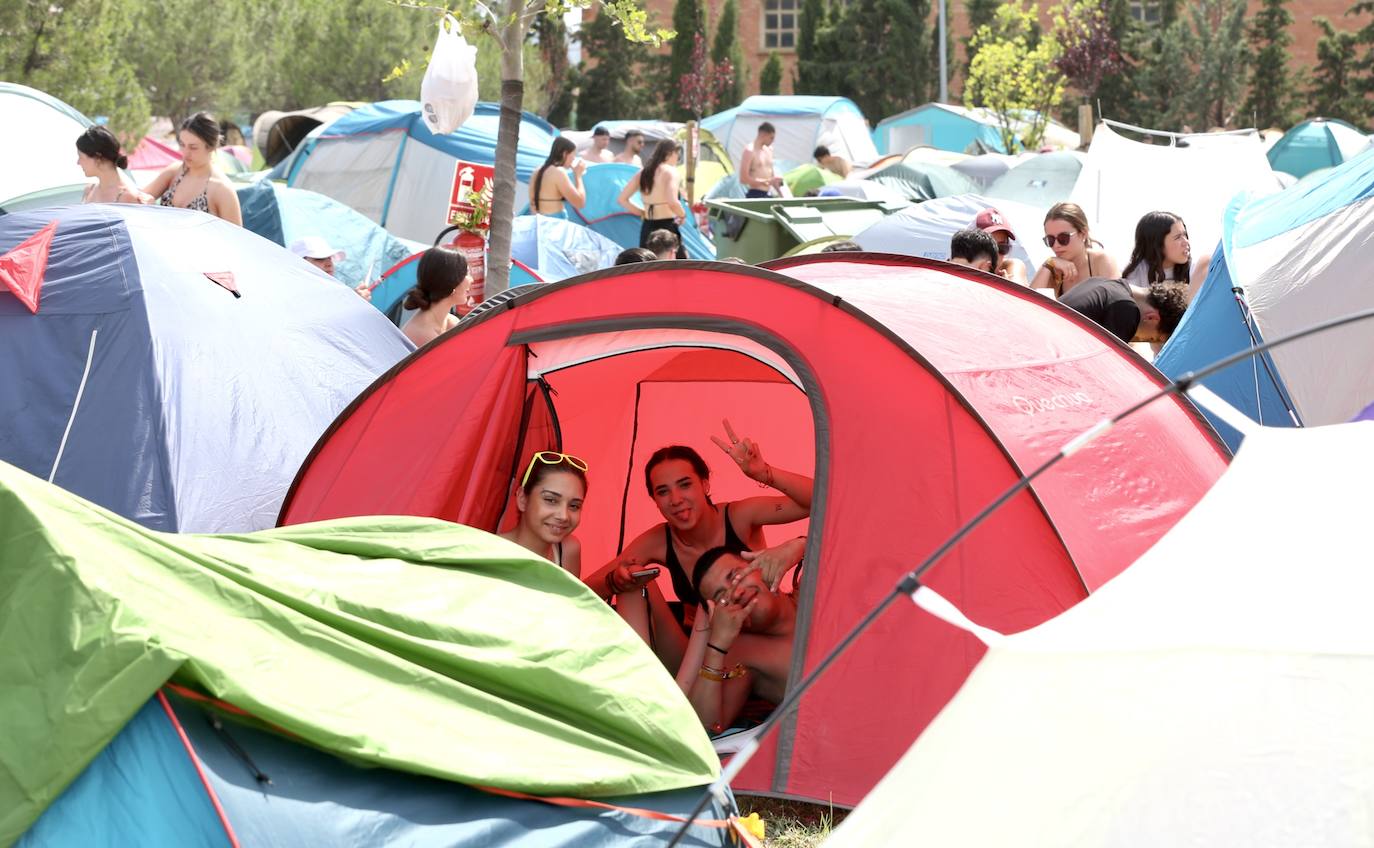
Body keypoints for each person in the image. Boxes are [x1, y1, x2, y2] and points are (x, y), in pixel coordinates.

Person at [584, 421, 812, 670]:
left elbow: (819, 500)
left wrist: (763, 473)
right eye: (663, 492)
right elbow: (586, 588)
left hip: (756, 643)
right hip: (696, 655)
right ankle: (637, 687)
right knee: (632, 576)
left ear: (704, 484)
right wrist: (615, 581)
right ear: (655, 500)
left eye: (685, 485)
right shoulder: (657, 541)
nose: (676, 499)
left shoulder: (740, 516)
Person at [677, 546, 796, 734]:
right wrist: (716, 647)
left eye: (736, 576)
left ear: (759, 566)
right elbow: (707, 727)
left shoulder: (814, 588)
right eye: (723, 597)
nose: (737, 592)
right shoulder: (743, 652)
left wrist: (802, 546)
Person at [143, 112, 242, 226]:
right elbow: (138, 199)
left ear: (211, 146)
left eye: (193, 147)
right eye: (182, 145)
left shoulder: (222, 189)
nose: (185, 153)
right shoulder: (175, 172)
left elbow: (236, 238)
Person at [500, 451, 586, 578]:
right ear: (522, 499)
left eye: (574, 506)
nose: (563, 516)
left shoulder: (568, 551)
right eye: (551, 500)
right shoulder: (490, 551)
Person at [1059, 277, 1189, 348]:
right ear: (1152, 318)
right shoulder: (1126, 309)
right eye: (1151, 338)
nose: (1142, 339)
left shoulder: (1102, 282)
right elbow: (1108, 366)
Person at [1030, 202, 1118, 298]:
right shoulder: (1053, 268)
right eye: (1050, 240)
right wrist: (1048, 264)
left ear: (1083, 233)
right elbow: (1029, 304)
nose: (1056, 245)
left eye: (1063, 238)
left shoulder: (1101, 261)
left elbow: (1117, 301)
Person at [617, 140, 688, 259]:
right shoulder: (670, 172)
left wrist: (642, 212)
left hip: (648, 227)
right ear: (670, 153)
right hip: (667, 228)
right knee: (678, 269)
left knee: (648, 267)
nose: (677, 158)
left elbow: (622, 199)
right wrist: (682, 215)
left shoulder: (644, 172)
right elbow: (672, 201)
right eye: (677, 154)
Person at [1121, 211, 1211, 302]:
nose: (1186, 242)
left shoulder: (1196, 269)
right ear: (1157, 244)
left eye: (1185, 235)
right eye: (1178, 237)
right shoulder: (1136, 272)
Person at [401, 246, 471, 347]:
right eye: (467, 274)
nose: (471, 279)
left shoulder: (451, 322)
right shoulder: (424, 335)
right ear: (451, 282)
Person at [75, 127, 151, 205]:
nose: (78, 162)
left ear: (97, 157)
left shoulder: (128, 198)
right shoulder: (89, 190)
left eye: (80, 156)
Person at [529, 137, 587, 219]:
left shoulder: (536, 171)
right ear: (564, 154)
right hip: (555, 222)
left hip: (538, 221)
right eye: (572, 156)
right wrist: (578, 176)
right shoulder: (559, 172)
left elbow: (532, 204)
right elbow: (580, 203)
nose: (573, 159)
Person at [975, 207, 1028, 285]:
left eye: (1002, 247)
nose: (995, 255)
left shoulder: (1011, 266)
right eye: (987, 247)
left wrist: (1005, 287)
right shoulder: (961, 267)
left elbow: (1017, 285)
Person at [739, 123, 782, 198]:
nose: (773, 141)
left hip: (768, 194)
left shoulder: (769, 150)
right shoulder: (750, 151)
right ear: (764, 135)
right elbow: (743, 179)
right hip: (755, 194)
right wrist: (766, 182)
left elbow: (771, 176)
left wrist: (782, 194)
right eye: (771, 138)